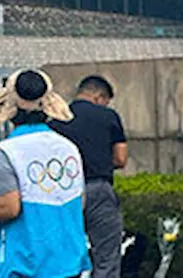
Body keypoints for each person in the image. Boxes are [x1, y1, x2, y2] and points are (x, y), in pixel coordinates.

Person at [0, 69, 91, 278]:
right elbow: (80, 201)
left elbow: (8, 207)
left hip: (24, 263)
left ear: (8, 106)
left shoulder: (8, 152)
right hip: (69, 259)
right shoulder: (68, 148)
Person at [51, 75, 128, 278]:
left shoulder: (56, 119)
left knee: (63, 254)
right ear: (99, 96)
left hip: (62, 193)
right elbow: (121, 158)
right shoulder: (108, 116)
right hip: (98, 189)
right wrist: (100, 161)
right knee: (107, 257)